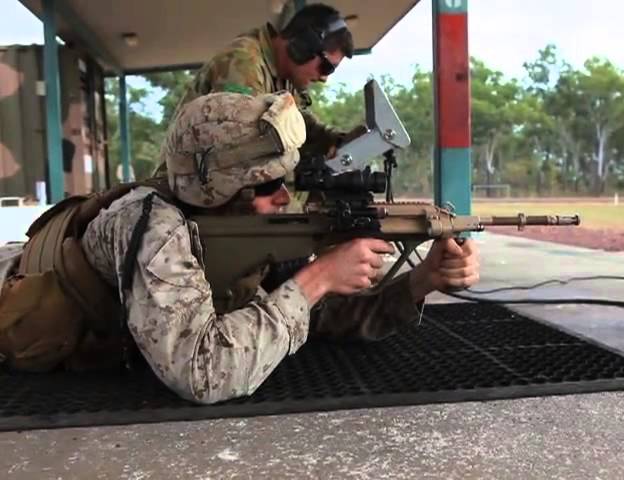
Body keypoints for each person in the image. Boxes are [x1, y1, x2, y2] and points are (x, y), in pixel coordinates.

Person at [0, 91, 480, 404]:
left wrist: (420, 282)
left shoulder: (226, 220)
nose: (283, 198)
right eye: (266, 186)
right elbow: (201, 372)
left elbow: (310, 318)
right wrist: (316, 279)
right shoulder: (154, 226)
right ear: (217, 190)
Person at [164, 2, 362, 163]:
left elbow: (296, 122)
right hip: (187, 190)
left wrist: (333, 140)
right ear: (303, 46)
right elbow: (242, 146)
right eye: (326, 67)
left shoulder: (286, 77)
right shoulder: (243, 62)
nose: (324, 78)